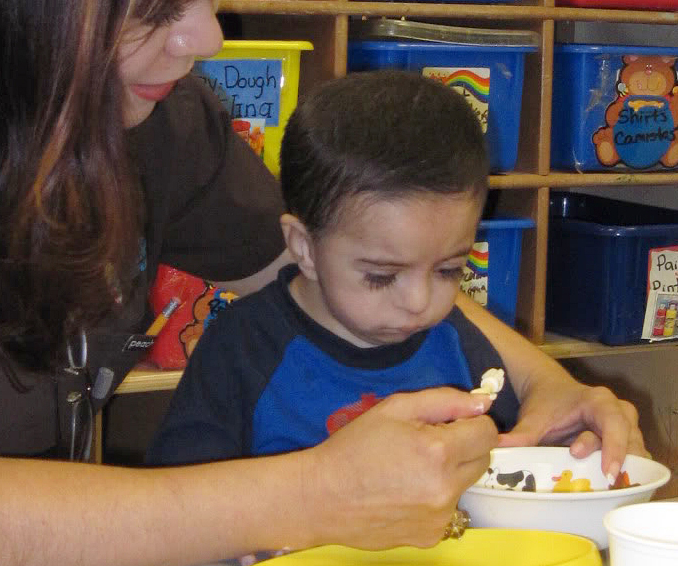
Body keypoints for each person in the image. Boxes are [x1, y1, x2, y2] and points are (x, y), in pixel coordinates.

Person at [0, 1, 646, 565]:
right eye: (152, 8)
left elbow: (338, 265)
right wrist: (313, 497)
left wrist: (544, 381)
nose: (205, 36)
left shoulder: (157, 124)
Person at [146, 71, 523, 471]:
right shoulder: (241, 352)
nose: (420, 303)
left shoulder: (457, 343)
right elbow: (187, 505)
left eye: (449, 270)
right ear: (304, 248)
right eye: (382, 276)